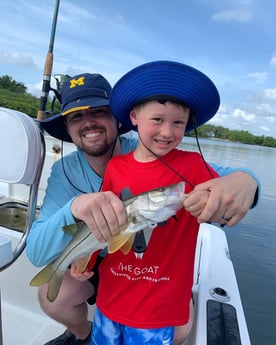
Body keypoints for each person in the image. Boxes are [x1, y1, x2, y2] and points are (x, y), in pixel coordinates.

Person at [26, 72, 259, 345]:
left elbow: (223, 178)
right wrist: (74, 208)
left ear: (119, 119)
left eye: (99, 112)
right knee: (51, 298)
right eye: (76, 116)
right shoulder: (63, 171)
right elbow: (37, 253)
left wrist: (247, 181)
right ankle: (82, 335)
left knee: (180, 328)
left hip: (151, 270)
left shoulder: (156, 150)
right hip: (101, 263)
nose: (89, 122)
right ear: (66, 126)